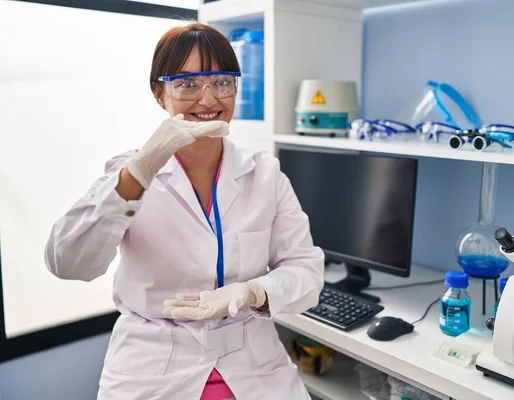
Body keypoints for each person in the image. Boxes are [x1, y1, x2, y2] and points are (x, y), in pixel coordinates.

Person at [44, 22, 324, 400]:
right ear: (160, 93)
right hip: (155, 368)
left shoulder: (265, 175)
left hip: (256, 368)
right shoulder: (128, 173)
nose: (208, 100)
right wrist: (142, 169)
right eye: (187, 84)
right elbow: (68, 263)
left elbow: (306, 270)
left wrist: (254, 291)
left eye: (223, 82)